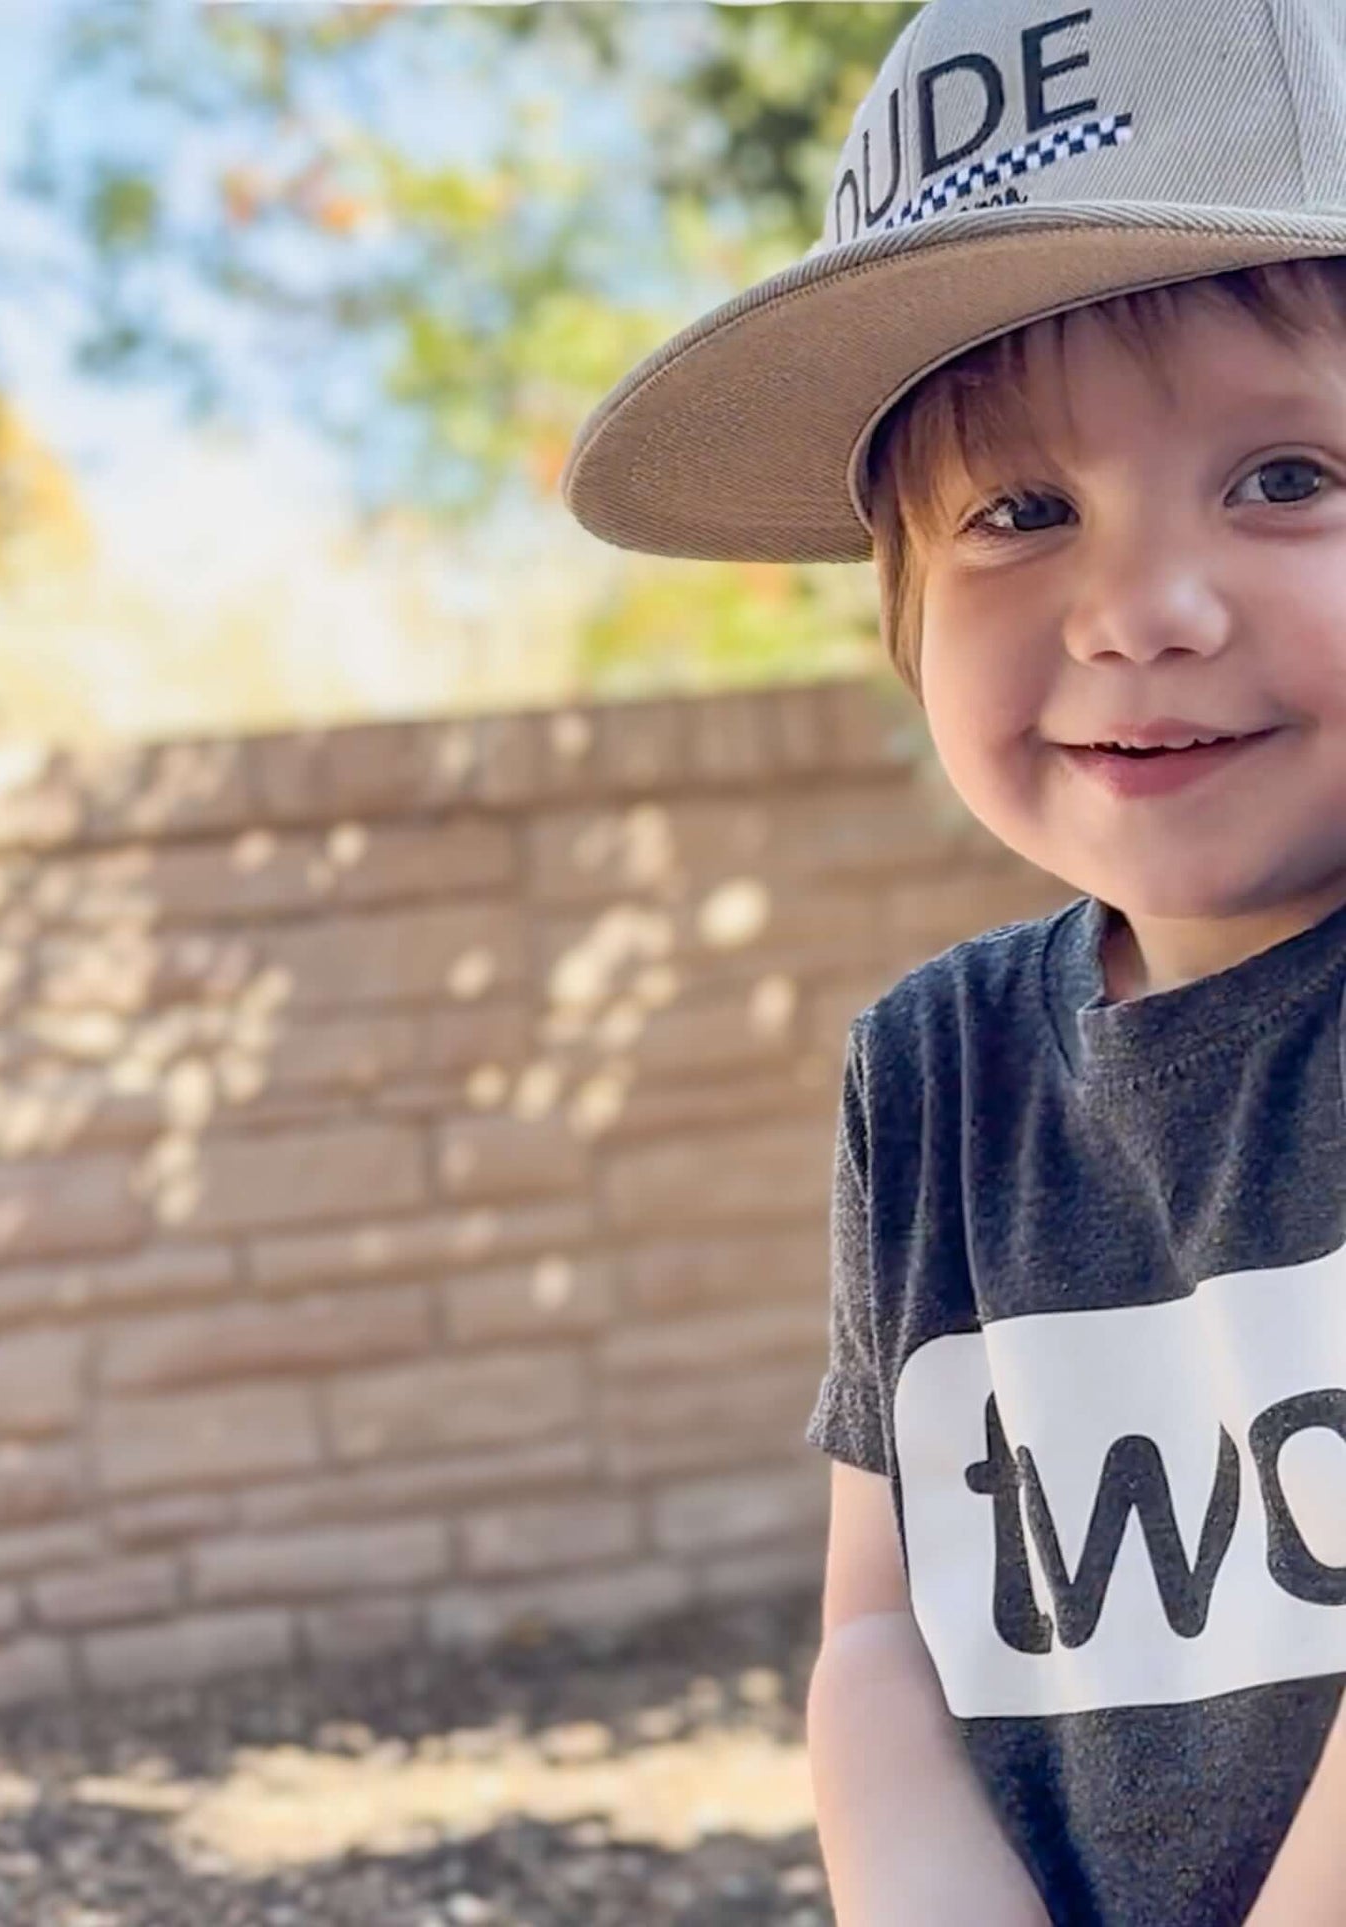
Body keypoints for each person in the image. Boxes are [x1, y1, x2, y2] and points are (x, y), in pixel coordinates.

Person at [560, 0, 1346, 1920]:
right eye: (1018, 511)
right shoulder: (929, 1074)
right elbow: (879, 1637)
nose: (1140, 612)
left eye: (1287, 480)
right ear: (898, 622)